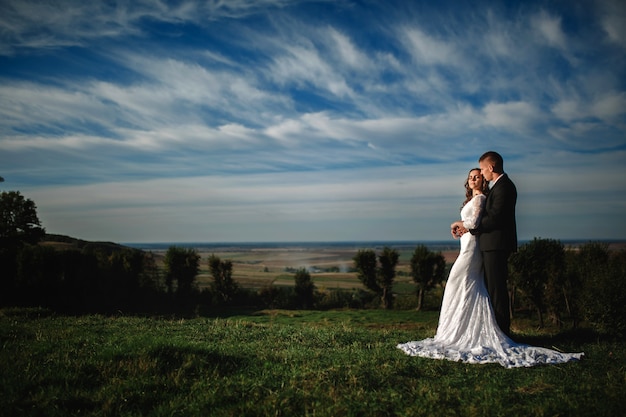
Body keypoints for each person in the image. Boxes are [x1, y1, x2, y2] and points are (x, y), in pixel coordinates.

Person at [397, 167, 583, 368]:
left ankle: (464, 331)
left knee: (458, 283)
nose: (473, 179)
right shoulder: (472, 199)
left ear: (483, 180)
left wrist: (457, 223)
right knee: (464, 287)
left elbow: (475, 221)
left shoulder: (481, 199)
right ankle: (457, 329)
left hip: (472, 248)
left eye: (477, 176)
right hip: (466, 243)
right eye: (470, 177)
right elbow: (471, 224)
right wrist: (460, 229)